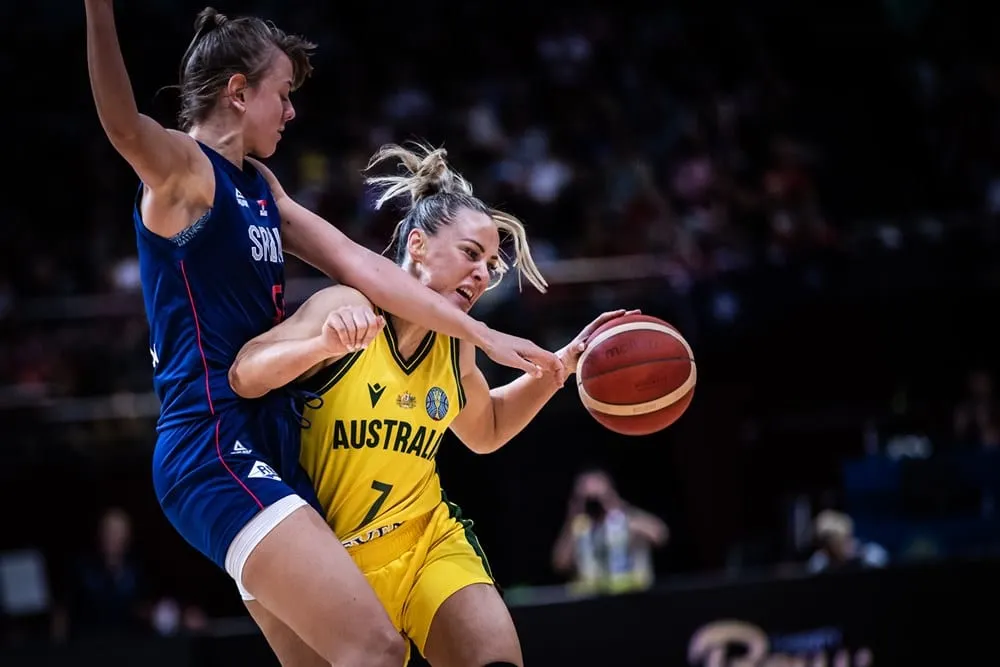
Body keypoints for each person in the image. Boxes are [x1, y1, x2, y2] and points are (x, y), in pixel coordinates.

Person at [84, 3, 563, 665]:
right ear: (238, 91)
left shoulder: (260, 187)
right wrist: (100, 13)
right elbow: (119, 123)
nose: (291, 112)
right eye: (283, 95)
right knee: (373, 645)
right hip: (211, 441)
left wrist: (476, 331)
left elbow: (361, 263)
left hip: (270, 436)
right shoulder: (186, 175)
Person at [227, 143, 637, 666]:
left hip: (424, 540)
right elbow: (244, 373)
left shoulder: (455, 341)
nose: (483, 274)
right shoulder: (346, 307)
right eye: (471, 254)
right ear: (417, 245)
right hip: (325, 562)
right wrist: (320, 347)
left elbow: (484, 427)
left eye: (491, 265)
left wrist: (561, 367)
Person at [550, 467, 669, 592]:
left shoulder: (628, 520)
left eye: (598, 496)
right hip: (594, 600)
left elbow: (660, 535)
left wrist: (616, 506)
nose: (594, 501)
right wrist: (573, 516)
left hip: (633, 597)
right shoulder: (580, 527)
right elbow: (560, 564)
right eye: (588, 498)